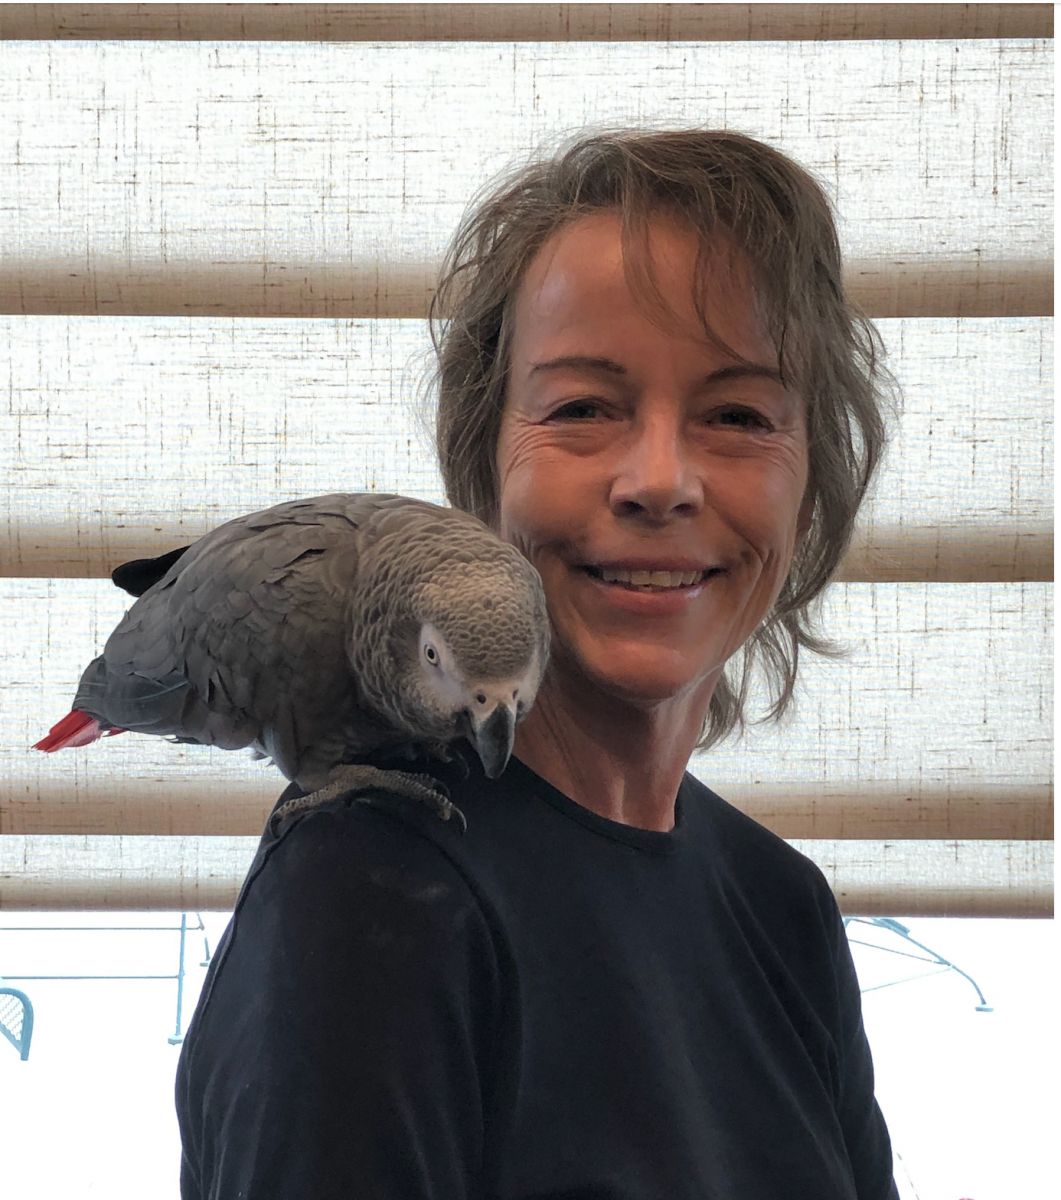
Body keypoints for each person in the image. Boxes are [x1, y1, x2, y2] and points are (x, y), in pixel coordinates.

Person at [176, 128, 898, 1199]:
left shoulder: (781, 908)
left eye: (738, 413)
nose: (659, 480)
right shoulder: (366, 893)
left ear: (811, 485)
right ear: (484, 466)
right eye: (582, 409)